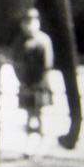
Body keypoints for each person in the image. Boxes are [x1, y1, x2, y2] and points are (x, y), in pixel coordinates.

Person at [12, 8, 54, 156]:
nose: (28, 25)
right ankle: (29, 145)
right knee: (29, 115)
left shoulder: (43, 40)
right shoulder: (19, 41)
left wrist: (39, 83)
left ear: (37, 23)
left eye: (32, 22)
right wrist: (21, 81)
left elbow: (47, 65)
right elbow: (15, 62)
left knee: (40, 114)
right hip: (25, 83)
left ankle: (41, 145)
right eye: (25, 22)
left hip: (40, 84)